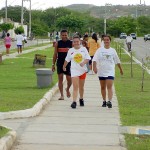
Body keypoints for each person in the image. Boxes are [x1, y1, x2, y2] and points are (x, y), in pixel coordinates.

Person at [93, 35, 123, 108]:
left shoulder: (113, 50)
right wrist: (94, 67)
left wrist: (121, 69)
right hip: (101, 71)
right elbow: (94, 59)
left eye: (108, 40)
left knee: (109, 86)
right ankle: (104, 100)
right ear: (103, 41)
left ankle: (109, 101)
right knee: (103, 87)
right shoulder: (99, 50)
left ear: (110, 41)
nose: (106, 41)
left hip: (110, 71)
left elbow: (117, 61)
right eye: (105, 40)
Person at [63, 35, 91, 109]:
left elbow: (88, 58)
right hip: (74, 70)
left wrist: (83, 62)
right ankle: (74, 102)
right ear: (73, 42)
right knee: (75, 87)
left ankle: (81, 98)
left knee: (81, 87)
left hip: (82, 71)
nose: (76, 43)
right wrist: (64, 66)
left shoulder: (84, 49)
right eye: (74, 42)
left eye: (77, 41)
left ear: (80, 42)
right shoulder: (71, 50)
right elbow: (67, 59)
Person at [52, 29, 72, 100]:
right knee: (60, 78)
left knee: (69, 79)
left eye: (65, 35)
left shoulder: (71, 43)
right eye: (63, 35)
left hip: (68, 63)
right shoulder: (58, 43)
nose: (64, 36)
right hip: (60, 63)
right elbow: (55, 55)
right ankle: (62, 95)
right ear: (60, 35)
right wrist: (53, 64)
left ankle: (67, 89)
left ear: (67, 35)